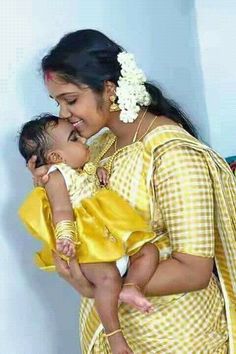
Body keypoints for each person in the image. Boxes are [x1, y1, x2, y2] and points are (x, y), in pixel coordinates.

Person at [27, 29, 236, 353]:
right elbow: (79, 220)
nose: (64, 114)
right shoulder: (96, 149)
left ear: (108, 89)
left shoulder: (173, 154)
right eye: (57, 103)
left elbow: (193, 270)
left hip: (175, 338)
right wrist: (48, 185)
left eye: (70, 100)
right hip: (110, 333)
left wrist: (99, 283)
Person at [18, 113, 159, 354]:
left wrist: (100, 173)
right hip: (85, 244)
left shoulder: (84, 167)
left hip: (109, 234)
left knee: (148, 251)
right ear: (56, 157)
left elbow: (91, 182)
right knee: (108, 278)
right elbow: (61, 209)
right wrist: (65, 238)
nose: (83, 141)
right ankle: (115, 337)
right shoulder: (56, 177)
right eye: (74, 139)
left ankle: (133, 285)